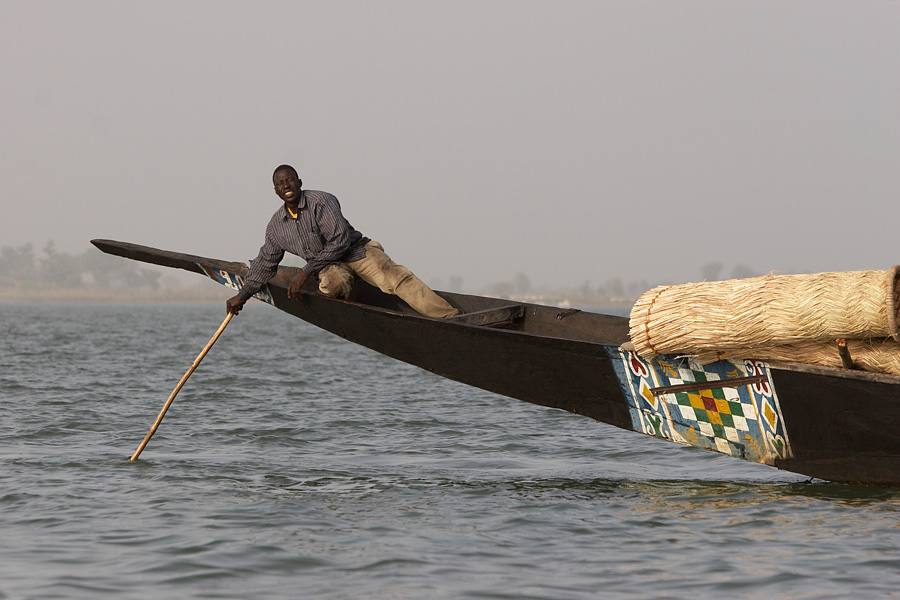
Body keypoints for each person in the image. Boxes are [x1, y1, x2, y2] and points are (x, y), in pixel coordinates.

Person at [226, 164, 459, 318]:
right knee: (333, 283)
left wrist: (304, 272)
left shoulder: (321, 201)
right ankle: (353, 289)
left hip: (357, 252)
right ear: (275, 191)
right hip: (328, 268)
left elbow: (340, 241)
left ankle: (450, 318)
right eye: (280, 183)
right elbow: (265, 263)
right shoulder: (277, 226)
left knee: (395, 277)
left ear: (299, 182)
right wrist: (242, 296)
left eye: (290, 180)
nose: (286, 185)